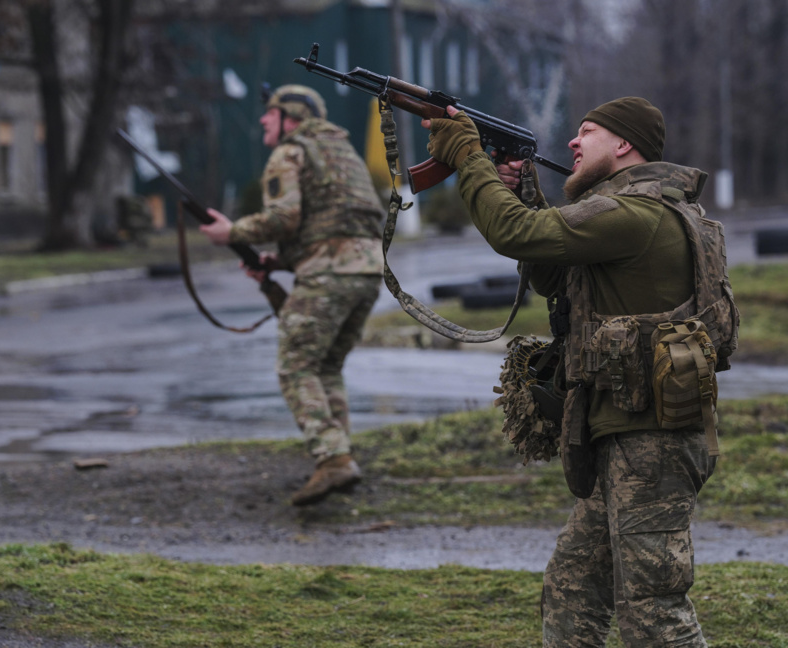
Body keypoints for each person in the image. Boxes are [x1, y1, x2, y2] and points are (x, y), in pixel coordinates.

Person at [423, 97, 738, 647]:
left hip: (651, 446)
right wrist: (521, 190)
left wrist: (467, 154)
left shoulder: (631, 215)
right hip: (628, 436)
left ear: (622, 145)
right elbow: (551, 274)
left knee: (654, 614)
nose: (572, 142)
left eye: (587, 132)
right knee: (571, 589)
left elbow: (516, 235)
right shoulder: (628, 214)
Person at [199, 84, 385, 506]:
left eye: (271, 113)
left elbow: (283, 218)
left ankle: (334, 458)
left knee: (295, 368)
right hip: (368, 272)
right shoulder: (342, 153)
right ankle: (340, 456)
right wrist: (276, 266)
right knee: (326, 366)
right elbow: (336, 223)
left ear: (292, 119)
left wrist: (233, 233)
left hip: (330, 273)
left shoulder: (291, 151)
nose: (264, 119)